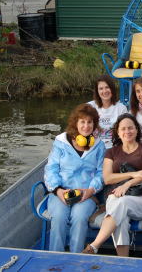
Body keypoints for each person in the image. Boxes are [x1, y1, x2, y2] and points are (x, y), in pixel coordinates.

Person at [82, 113, 142, 256]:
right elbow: (108, 178)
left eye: (130, 128)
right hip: (116, 197)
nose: (127, 131)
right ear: (117, 132)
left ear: (136, 129)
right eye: (123, 129)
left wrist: (127, 184)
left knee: (120, 203)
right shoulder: (111, 152)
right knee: (120, 219)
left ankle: (94, 246)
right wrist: (133, 174)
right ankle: (123, 261)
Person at [44, 103, 105, 253]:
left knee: (79, 217)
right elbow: (51, 169)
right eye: (82, 122)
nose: (86, 126)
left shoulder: (99, 146)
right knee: (58, 217)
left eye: (89, 122)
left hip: (86, 194)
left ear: (94, 124)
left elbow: (101, 172)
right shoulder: (60, 142)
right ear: (75, 123)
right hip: (60, 192)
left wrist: (91, 191)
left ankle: (76, 258)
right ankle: (55, 257)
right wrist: (58, 191)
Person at [88, 75, 127, 149]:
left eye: (107, 87)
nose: (104, 91)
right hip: (94, 148)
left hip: (115, 148)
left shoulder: (121, 108)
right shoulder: (90, 107)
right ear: (97, 91)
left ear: (112, 89)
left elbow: (125, 132)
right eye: (101, 89)